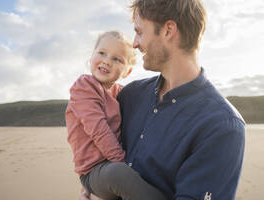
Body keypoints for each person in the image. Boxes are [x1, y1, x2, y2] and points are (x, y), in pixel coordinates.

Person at [80, 0, 245, 200]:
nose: (134, 43)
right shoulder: (129, 96)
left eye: (140, 32)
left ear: (168, 30)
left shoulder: (222, 126)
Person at [66, 31, 167, 200]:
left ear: (127, 72)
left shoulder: (120, 93)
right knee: (119, 174)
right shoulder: (84, 86)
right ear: (92, 56)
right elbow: (99, 130)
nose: (107, 61)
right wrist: (123, 162)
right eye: (102, 53)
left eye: (116, 59)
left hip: (115, 164)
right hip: (93, 171)